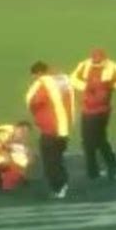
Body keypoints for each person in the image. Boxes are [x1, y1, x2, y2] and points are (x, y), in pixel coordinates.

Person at [70, 48, 116, 180]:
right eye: (94, 58)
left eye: (98, 59)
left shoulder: (112, 66)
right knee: (94, 140)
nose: (95, 61)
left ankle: (98, 169)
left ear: (103, 58)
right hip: (87, 109)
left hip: (102, 110)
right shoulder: (84, 65)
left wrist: (112, 86)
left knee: (93, 140)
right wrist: (85, 86)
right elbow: (73, 78)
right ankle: (101, 168)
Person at [26, 61, 74, 199]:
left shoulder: (44, 83)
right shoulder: (63, 80)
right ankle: (63, 183)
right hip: (64, 129)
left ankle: (59, 187)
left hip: (50, 130)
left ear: (38, 73)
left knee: (50, 162)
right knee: (58, 159)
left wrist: (37, 112)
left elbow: (33, 101)